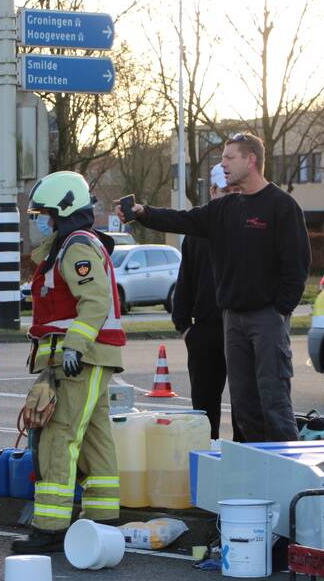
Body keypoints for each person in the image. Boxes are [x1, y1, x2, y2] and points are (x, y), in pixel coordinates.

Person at [117, 134, 310, 442]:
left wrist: (278, 311)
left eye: (229, 158)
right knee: (244, 405)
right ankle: (252, 475)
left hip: (266, 319)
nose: (222, 164)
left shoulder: (282, 206)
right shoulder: (225, 209)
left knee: (273, 401)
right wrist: (142, 212)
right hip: (231, 320)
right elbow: (180, 219)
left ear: (251, 160)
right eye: (222, 158)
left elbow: (297, 266)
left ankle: (290, 475)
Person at [12, 171, 126, 554]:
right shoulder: (66, 247)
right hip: (84, 356)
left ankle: (50, 528)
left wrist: (75, 346)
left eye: (42, 213)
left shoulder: (76, 247)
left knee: (60, 435)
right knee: (94, 437)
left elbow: (94, 301)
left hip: (80, 358)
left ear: (62, 211)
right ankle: (101, 521)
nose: (38, 220)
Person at [171, 163, 241, 441]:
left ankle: (241, 460)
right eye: (226, 190)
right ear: (212, 191)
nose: (232, 196)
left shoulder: (248, 229)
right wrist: (185, 327)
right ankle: (206, 459)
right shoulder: (197, 234)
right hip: (205, 332)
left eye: (237, 190)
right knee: (203, 410)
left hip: (241, 327)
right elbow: (185, 280)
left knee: (244, 405)